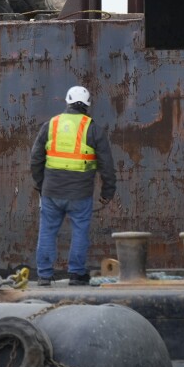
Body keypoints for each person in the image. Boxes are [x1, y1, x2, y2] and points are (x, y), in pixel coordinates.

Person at [31, 85, 117, 286]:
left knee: (47, 231)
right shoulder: (93, 128)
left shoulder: (51, 125)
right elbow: (107, 164)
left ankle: (44, 276)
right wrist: (107, 192)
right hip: (80, 193)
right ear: (87, 104)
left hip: (51, 191)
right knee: (79, 231)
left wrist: (40, 184)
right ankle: (76, 274)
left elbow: (35, 158)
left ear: (67, 101)